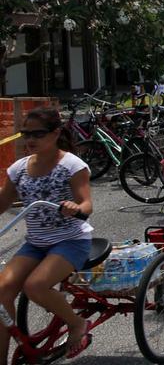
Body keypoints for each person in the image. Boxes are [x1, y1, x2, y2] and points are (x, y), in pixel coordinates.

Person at [0, 108, 94, 361]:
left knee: (35, 286)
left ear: (55, 133)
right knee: (2, 290)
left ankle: (76, 323)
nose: (30, 139)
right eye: (25, 134)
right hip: (36, 244)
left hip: (71, 241)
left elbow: (86, 204)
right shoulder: (18, 169)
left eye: (37, 134)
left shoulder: (72, 165)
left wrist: (76, 208)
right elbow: (2, 202)